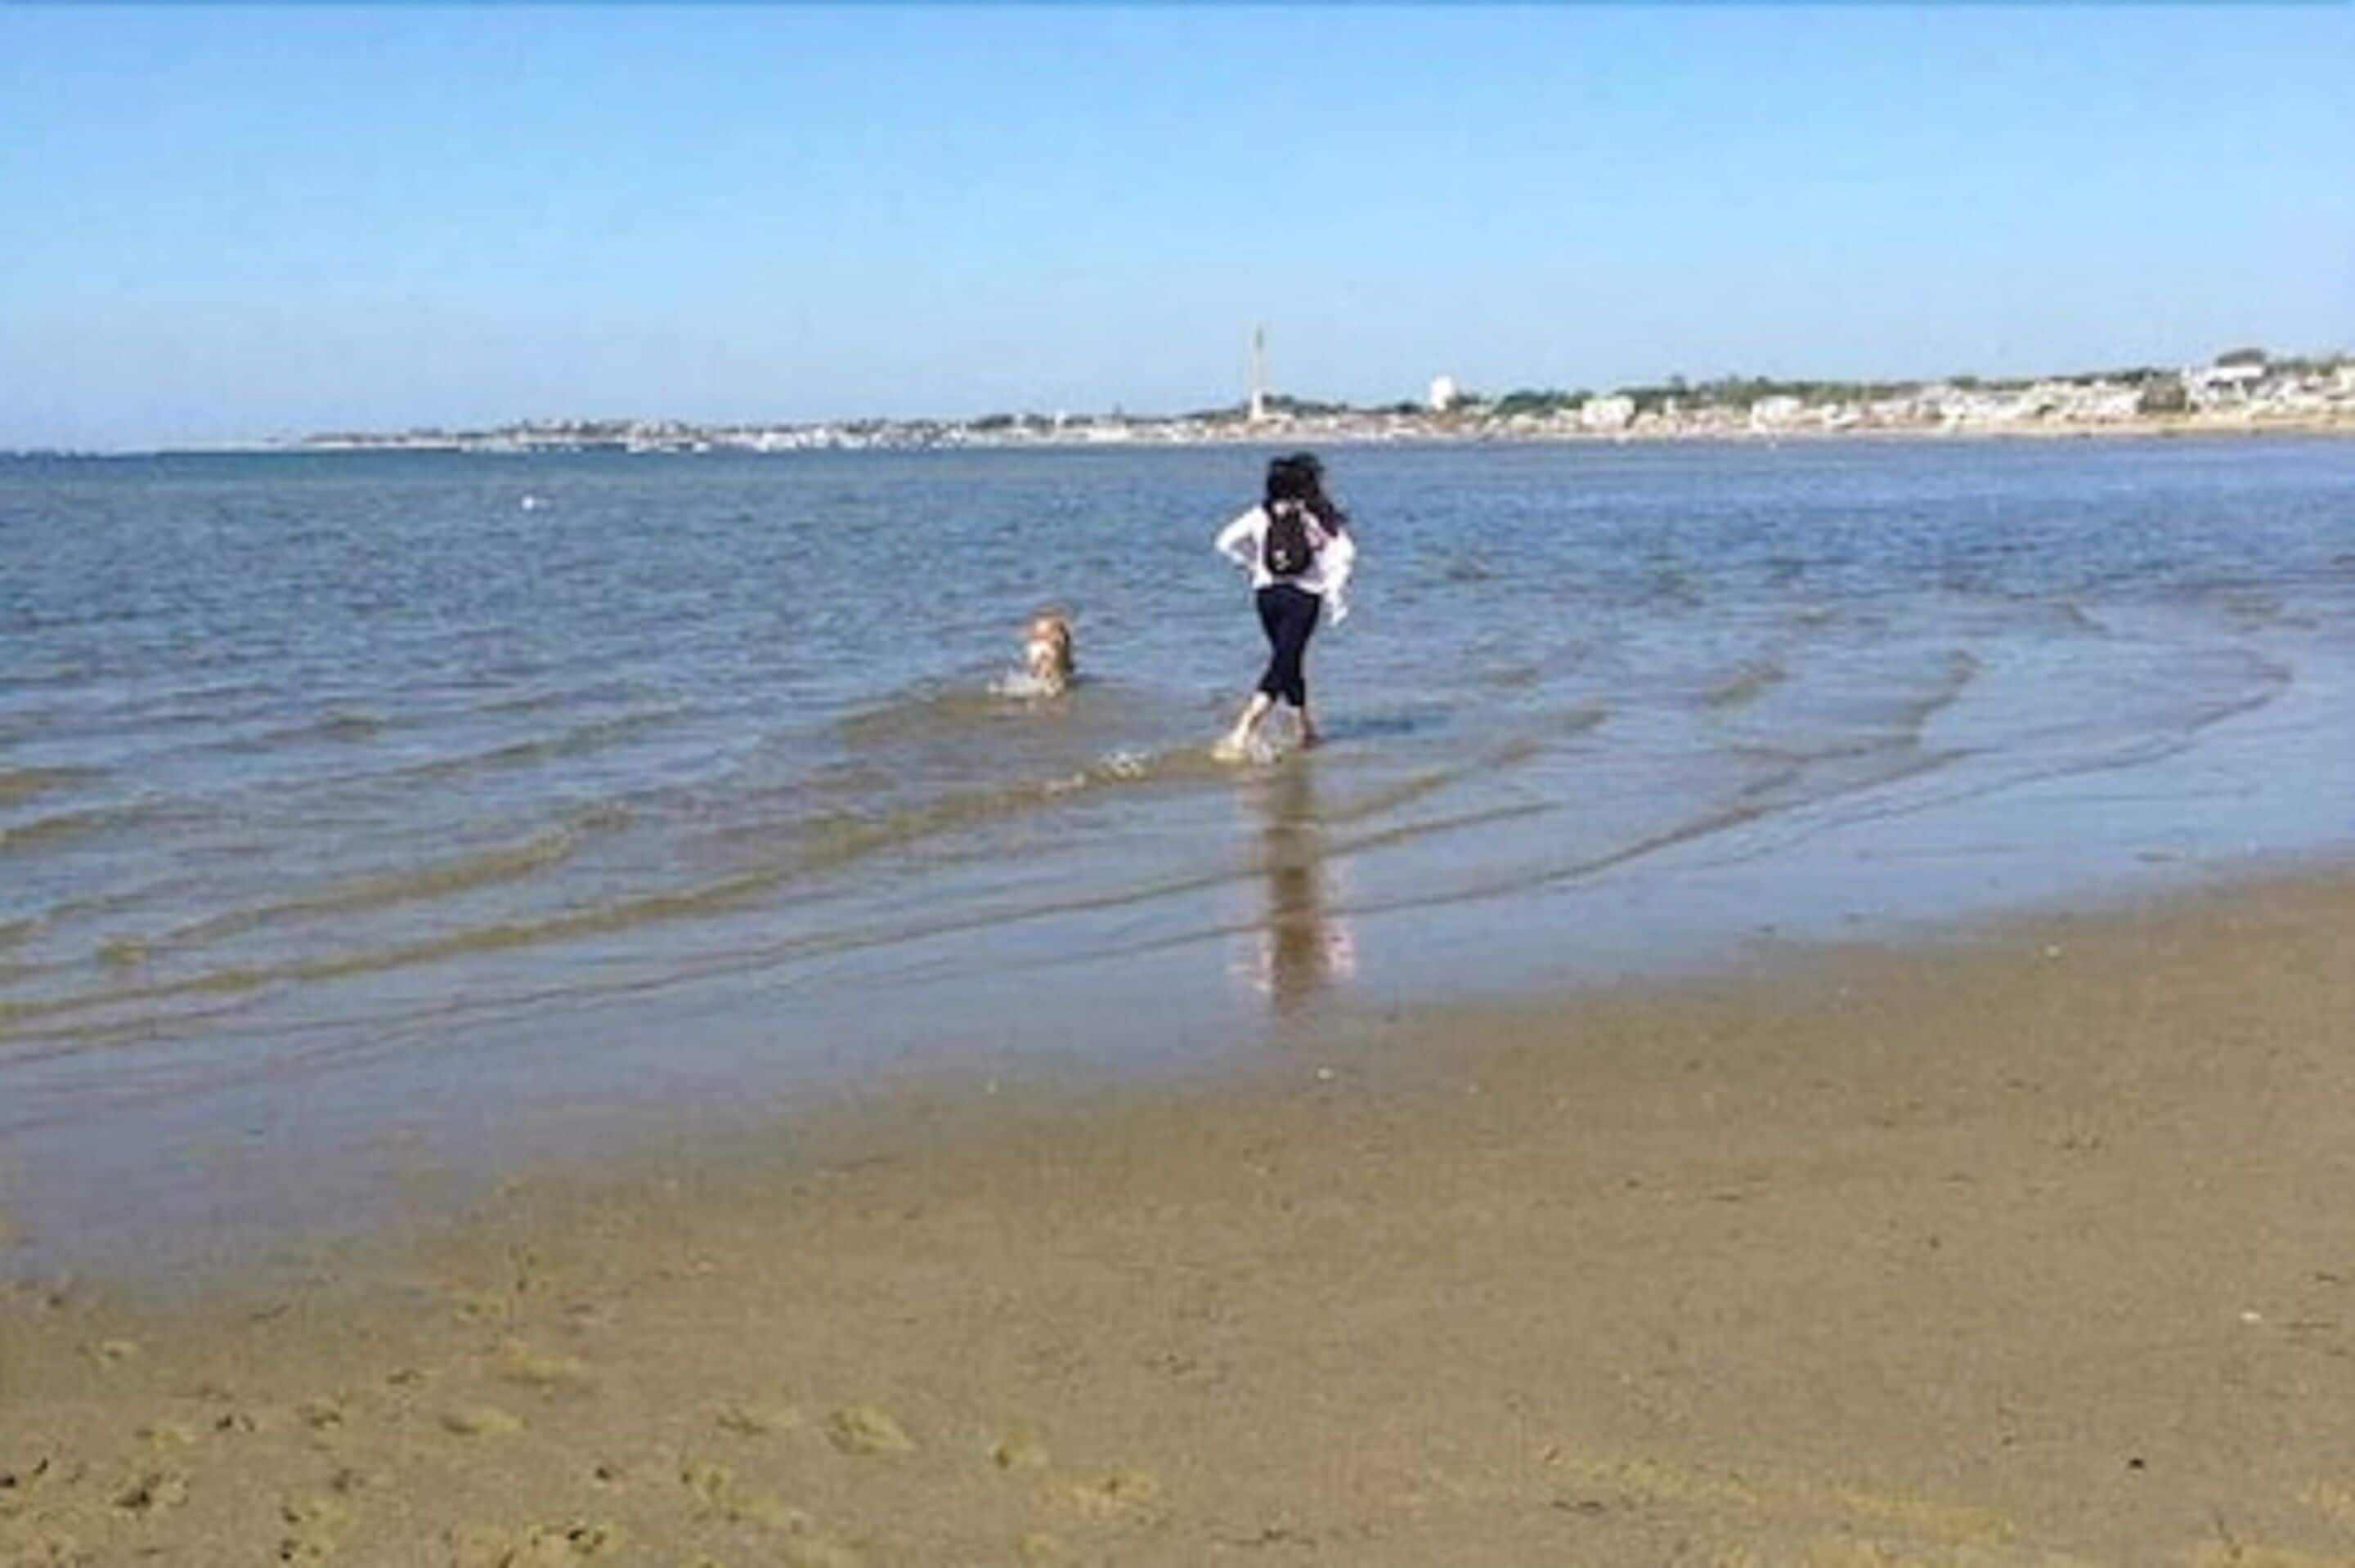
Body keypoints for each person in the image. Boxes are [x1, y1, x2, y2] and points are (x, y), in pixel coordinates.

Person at [1213, 452, 1357, 758]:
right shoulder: (1317, 517)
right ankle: (1243, 730)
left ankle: (1305, 729)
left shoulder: (1261, 513)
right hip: (1304, 596)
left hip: (1267, 595)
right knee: (1283, 663)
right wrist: (1336, 595)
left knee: (1288, 660)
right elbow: (1345, 555)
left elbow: (1224, 542)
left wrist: (1251, 564)